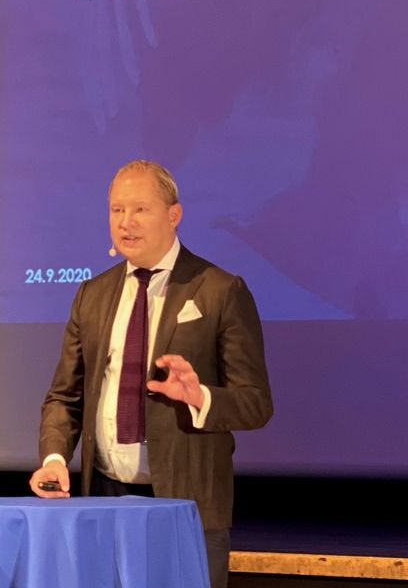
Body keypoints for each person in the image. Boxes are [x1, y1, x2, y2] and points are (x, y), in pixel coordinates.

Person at [29, 160, 273, 588]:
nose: (126, 222)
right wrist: (54, 459)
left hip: (187, 505)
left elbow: (255, 403)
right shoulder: (92, 294)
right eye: (117, 210)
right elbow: (65, 396)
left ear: (174, 214)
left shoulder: (220, 290)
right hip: (103, 499)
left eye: (140, 209)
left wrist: (201, 398)